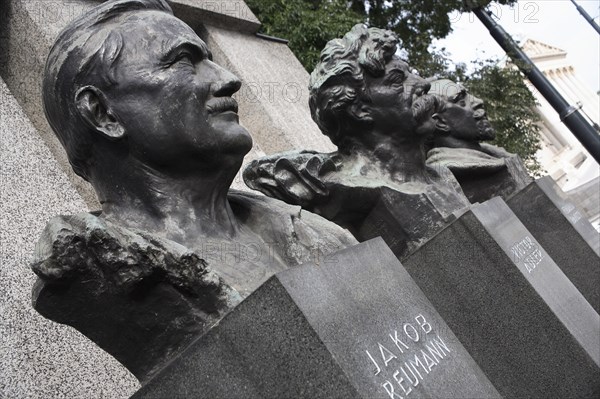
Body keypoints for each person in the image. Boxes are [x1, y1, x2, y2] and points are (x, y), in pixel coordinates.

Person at [32, 0, 356, 381]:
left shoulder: (314, 232)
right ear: (104, 113)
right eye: (184, 60)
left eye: (211, 58)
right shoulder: (93, 268)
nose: (227, 78)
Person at [244, 25, 470, 257]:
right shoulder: (348, 191)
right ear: (359, 110)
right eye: (397, 80)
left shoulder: (444, 176)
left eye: (411, 73)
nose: (422, 83)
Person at [426, 79, 531, 202]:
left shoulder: (494, 156)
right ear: (440, 122)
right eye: (461, 101)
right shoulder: (446, 171)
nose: (478, 101)